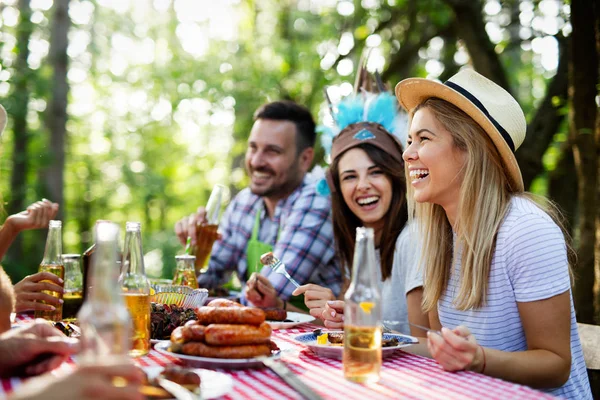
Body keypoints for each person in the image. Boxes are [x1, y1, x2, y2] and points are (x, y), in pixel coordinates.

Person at [396, 68, 591, 398]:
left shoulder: (526, 230)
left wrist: (479, 359)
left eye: (424, 139)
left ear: (471, 150)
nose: (407, 154)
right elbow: (438, 350)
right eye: (410, 140)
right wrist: (362, 333)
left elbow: (556, 365)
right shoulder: (437, 233)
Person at [175, 100, 341, 308]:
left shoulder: (316, 201)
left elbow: (263, 295)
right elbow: (205, 280)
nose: (256, 161)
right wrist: (195, 255)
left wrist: (206, 301)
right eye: (253, 148)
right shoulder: (244, 203)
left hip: (316, 336)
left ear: (305, 159)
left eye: (272, 151)